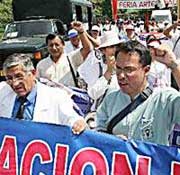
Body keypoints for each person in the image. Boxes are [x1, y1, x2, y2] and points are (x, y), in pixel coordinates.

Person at [96, 40, 180, 146]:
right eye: (118, 68)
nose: (121, 76)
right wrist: (110, 141)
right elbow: (98, 132)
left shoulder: (164, 99)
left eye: (129, 70)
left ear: (146, 70)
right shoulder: (110, 98)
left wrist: (174, 66)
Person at [0, 53, 86, 134]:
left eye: (19, 76)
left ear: (33, 73)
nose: (14, 83)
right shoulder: (3, 91)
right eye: (9, 78)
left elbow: (71, 118)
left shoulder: (57, 97)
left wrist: (78, 123)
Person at [36, 21, 91, 87]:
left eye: (57, 45)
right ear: (47, 47)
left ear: (63, 45)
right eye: (51, 45)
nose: (54, 48)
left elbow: (87, 48)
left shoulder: (71, 58)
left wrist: (81, 32)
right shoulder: (41, 65)